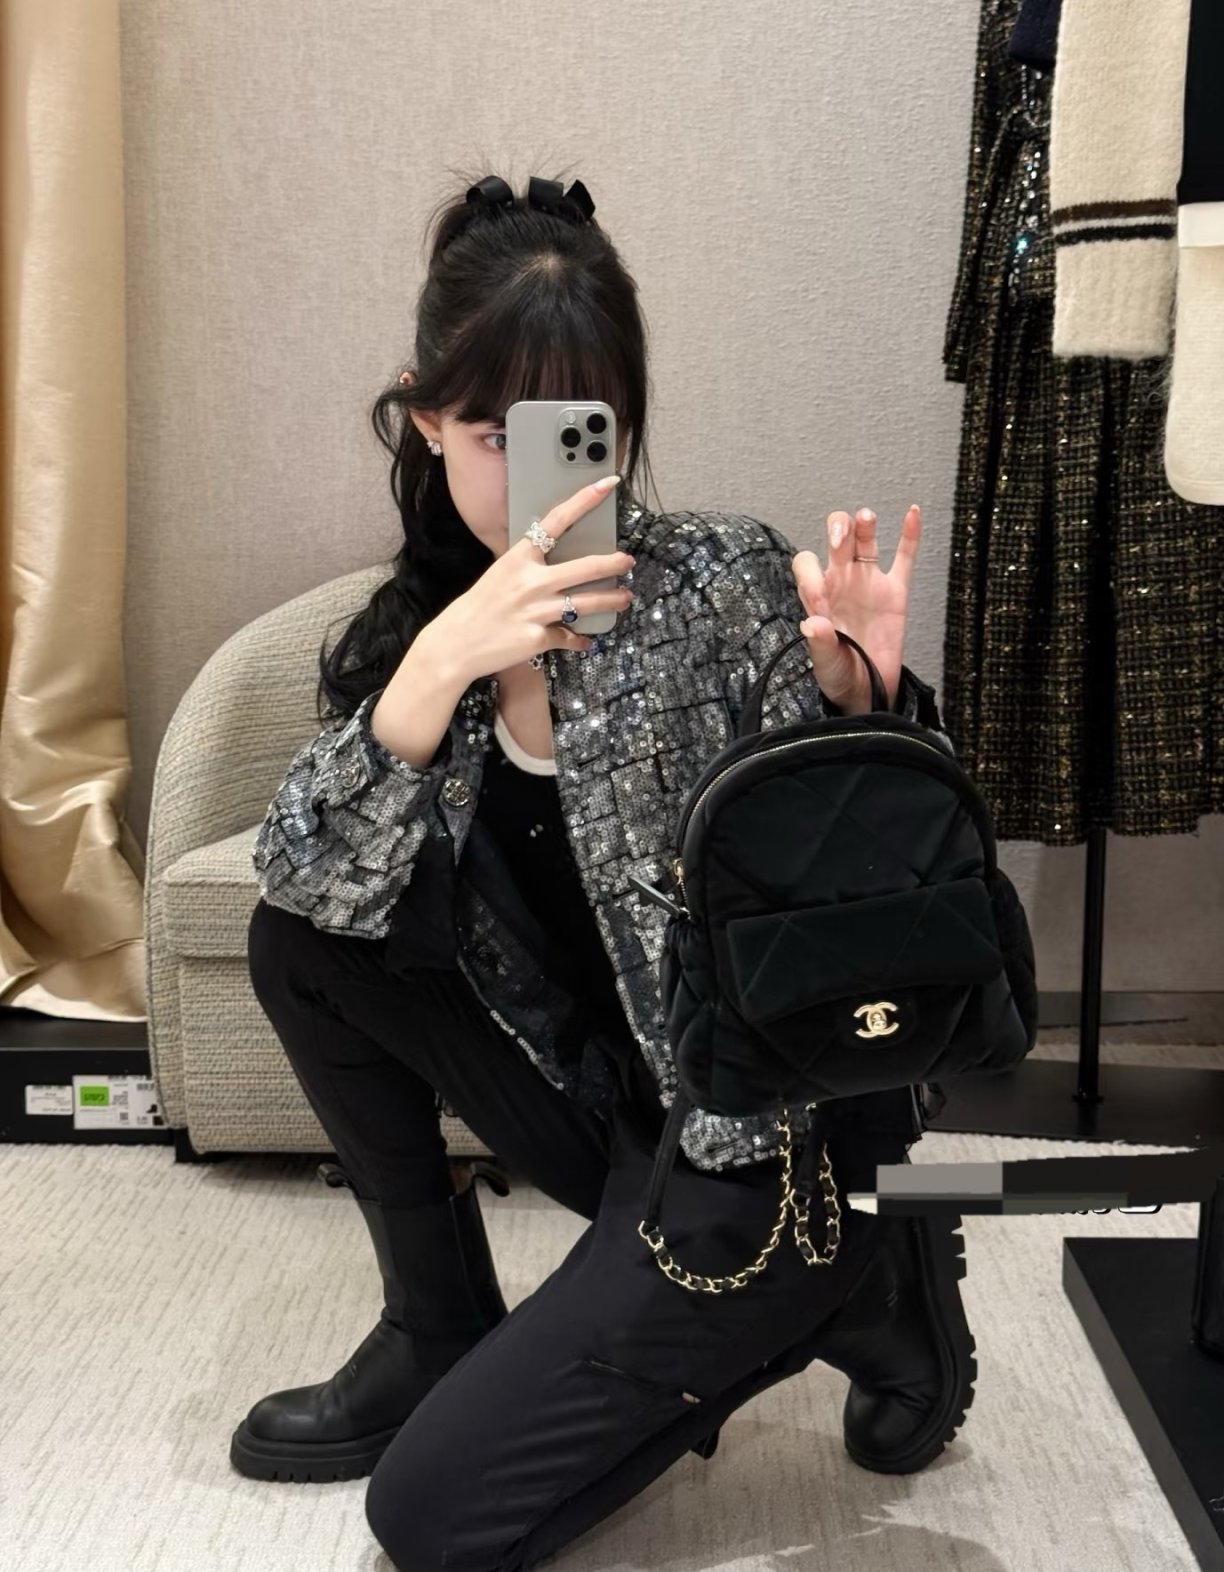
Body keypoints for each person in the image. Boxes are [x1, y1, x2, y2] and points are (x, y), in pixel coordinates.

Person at [231, 168, 977, 1571]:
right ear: (425, 416)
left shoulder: (725, 585)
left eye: (583, 435)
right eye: (492, 435)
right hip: (594, 1103)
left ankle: (852, 1275)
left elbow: (905, 924)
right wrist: (439, 665)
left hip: (752, 1140)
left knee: (430, 1520)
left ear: (625, 427)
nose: (547, 489)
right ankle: (436, 1324)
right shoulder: (432, 628)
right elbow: (308, 884)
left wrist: (865, 710)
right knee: (301, 943)